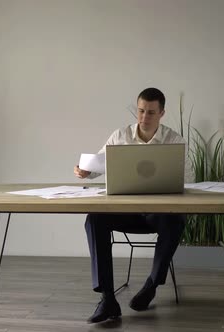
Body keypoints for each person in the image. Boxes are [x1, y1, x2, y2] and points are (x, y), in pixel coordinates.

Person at [74, 87, 186, 323]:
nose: (145, 117)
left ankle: (151, 285)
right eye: (141, 111)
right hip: (125, 211)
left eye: (151, 112)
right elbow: (98, 165)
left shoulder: (174, 140)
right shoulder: (119, 136)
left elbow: (187, 178)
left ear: (162, 113)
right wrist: (85, 171)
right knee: (94, 218)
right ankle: (107, 299)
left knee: (175, 219)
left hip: (158, 213)